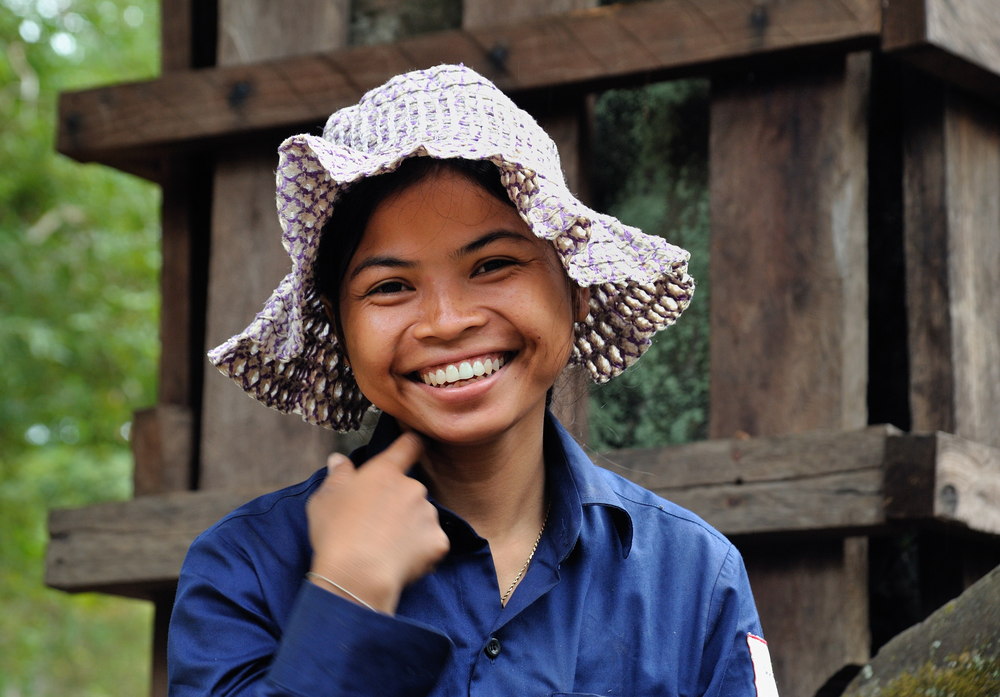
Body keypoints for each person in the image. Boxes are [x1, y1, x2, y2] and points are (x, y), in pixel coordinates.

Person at [167, 64, 778, 697]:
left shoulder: (696, 578)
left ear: (576, 291)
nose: (447, 322)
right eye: (390, 286)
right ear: (341, 327)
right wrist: (347, 596)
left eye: (493, 265)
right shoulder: (245, 569)